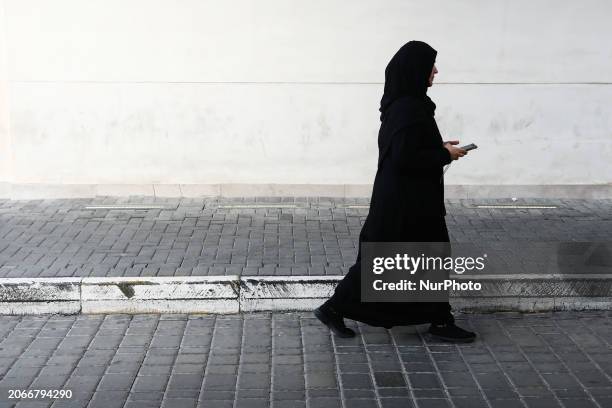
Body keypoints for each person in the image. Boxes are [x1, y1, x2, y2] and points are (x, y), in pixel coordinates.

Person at [315, 40, 476, 343]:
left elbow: (407, 148)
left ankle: (438, 319)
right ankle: (335, 307)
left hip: (406, 198)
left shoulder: (404, 103)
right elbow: (405, 157)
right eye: (431, 66)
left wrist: (438, 148)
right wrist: (445, 156)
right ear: (416, 70)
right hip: (406, 202)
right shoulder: (408, 107)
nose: (436, 71)